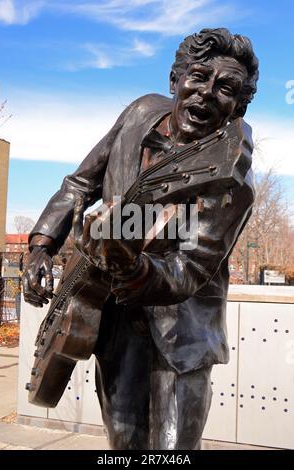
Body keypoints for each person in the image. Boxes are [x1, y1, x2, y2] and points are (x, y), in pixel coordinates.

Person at [23, 28, 259, 450]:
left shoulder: (230, 180)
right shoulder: (139, 113)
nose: (206, 94)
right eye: (198, 77)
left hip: (182, 334)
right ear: (175, 81)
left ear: (237, 106)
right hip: (110, 318)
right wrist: (42, 244)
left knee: (173, 452)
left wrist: (132, 265)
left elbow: (189, 270)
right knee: (124, 445)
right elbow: (79, 184)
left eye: (225, 88)